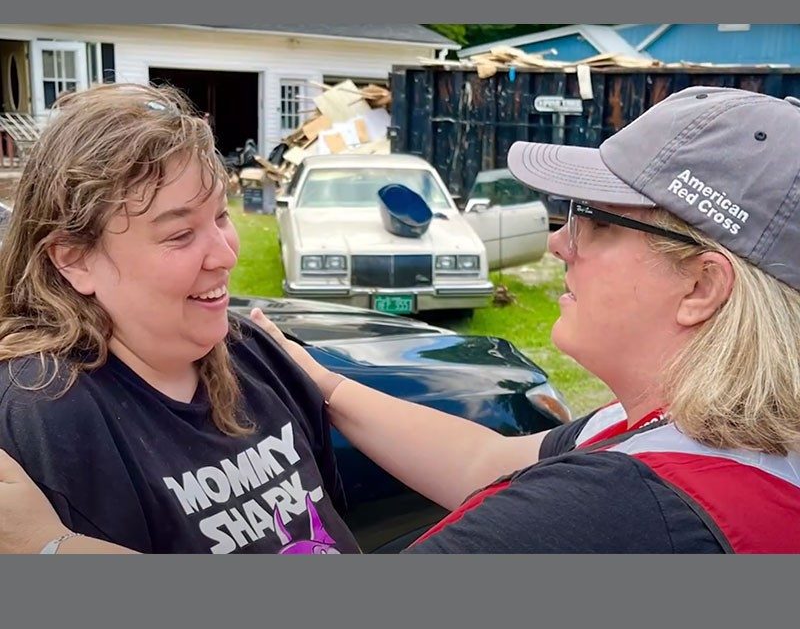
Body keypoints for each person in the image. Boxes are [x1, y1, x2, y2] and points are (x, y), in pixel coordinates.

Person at [1, 85, 800, 553]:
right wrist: (323, 382)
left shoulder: (616, 514)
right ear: (71, 257)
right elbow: (491, 462)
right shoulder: (703, 435)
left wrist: (50, 552)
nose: (559, 241)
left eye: (593, 220)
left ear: (701, 287)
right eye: (182, 231)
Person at [0, 83, 359, 555]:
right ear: (75, 260)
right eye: (180, 234)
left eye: (221, 217)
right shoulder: (50, 411)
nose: (225, 254)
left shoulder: (251, 350)